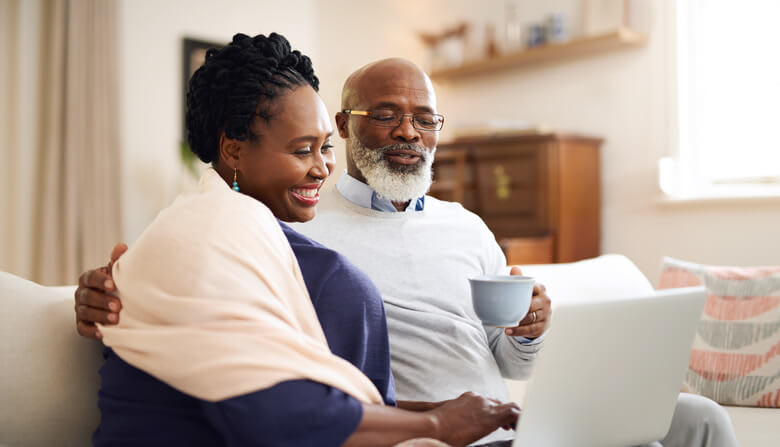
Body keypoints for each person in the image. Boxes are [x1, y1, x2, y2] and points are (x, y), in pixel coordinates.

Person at [76, 51, 737, 445]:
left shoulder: (468, 227)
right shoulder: (292, 220)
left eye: (425, 119)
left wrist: (530, 327)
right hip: (424, 431)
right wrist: (105, 287)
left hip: (505, 414)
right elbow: (193, 281)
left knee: (699, 419)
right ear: (345, 123)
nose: (408, 133)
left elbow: (508, 355)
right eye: (386, 113)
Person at [85, 32, 519, 447]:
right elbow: (280, 417)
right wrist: (439, 423)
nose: (321, 168)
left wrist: (459, 413)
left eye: (323, 147)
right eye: (301, 149)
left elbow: (316, 396)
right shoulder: (209, 236)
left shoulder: (241, 233)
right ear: (234, 150)